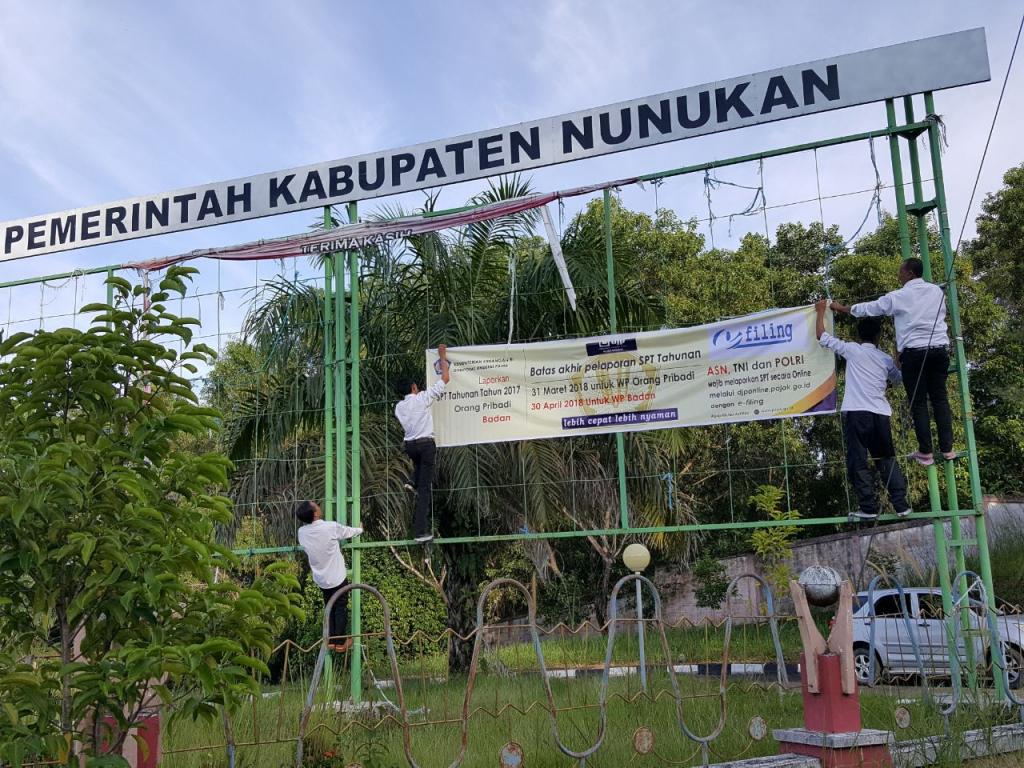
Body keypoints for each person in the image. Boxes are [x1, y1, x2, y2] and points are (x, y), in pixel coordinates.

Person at [830, 257, 955, 467]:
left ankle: (926, 451)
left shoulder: (900, 296)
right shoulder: (936, 292)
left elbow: (872, 307)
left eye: (901, 271)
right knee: (940, 399)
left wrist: (843, 308)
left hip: (914, 353)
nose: (899, 275)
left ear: (909, 273)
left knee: (918, 402)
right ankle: (947, 448)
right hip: (940, 350)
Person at [815, 299, 911, 521]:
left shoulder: (852, 350)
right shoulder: (885, 358)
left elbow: (822, 336)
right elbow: (898, 379)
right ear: (878, 338)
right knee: (886, 459)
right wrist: (897, 358)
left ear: (859, 336)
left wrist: (821, 311)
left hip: (857, 413)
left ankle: (868, 507)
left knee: (858, 461)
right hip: (880, 414)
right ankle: (901, 505)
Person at [394, 344, 450, 543]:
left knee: (419, 466)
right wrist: (443, 356)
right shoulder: (422, 398)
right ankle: (419, 532)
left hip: (411, 446)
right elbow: (445, 378)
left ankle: (411, 481)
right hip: (426, 445)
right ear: (414, 388)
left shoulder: (398, 408)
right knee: (424, 491)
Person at [295, 500, 363, 652]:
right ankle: (340, 642)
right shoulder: (329, 527)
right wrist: (359, 529)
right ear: (315, 513)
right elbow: (347, 532)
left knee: (330, 606)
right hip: (336, 576)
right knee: (340, 606)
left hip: (321, 578)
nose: (318, 506)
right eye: (316, 505)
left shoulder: (302, 532)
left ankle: (332, 640)